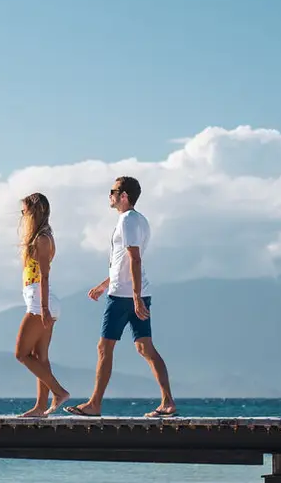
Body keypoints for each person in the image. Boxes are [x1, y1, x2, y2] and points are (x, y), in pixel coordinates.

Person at [61, 176, 178, 418]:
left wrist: (134, 297)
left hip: (125, 296)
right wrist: (105, 284)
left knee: (104, 347)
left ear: (123, 196)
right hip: (132, 292)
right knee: (145, 347)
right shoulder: (138, 220)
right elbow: (123, 262)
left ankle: (94, 404)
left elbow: (135, 258)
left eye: (112, 191)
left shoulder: (127, 221)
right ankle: (167, 402)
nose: (110, 195)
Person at [12, 192, 72, 416]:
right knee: (40, 358)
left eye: (25, 210)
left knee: (21, 354)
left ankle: (59, 392)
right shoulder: (39, 237)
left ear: (34, 211)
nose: (23, 214)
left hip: (40, 302)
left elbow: (44, 276)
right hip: (41, 300)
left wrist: (44, 309)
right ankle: (39, 407)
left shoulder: (42, 239)